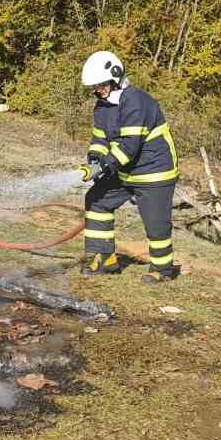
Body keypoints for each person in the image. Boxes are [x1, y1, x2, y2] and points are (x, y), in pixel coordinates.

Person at [77, 50, 181, 282]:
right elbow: (100, 139)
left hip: (154, 171)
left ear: (116, 77)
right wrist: (95, 159)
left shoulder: (136, 101)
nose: (98, 90)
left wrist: (104, 166)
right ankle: (106, 258)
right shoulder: (103, 106)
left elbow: (129, 146)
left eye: (101, 85)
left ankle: (163, 269)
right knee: (97, 200)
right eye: (94, 87)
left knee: (155, 222)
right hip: (125, 169)